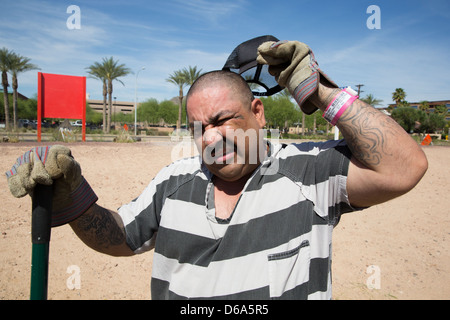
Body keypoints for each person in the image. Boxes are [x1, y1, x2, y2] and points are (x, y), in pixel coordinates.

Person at [6, 40, 428, 300]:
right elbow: (121, 237)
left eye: (223, 120)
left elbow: (402, 168)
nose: (209, 138)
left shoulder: (309, 171)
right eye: (199, 127)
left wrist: (320, 91)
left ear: (258, 112)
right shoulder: (174, 181)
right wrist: (75, 199)